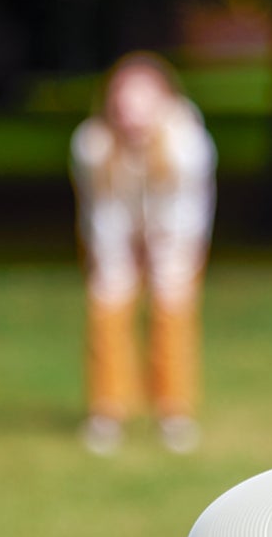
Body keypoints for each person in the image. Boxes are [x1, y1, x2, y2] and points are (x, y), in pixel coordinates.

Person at [70, 52, 217, 455]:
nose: (131, 112)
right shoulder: (92, 144)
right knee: (107, 308)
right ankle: (107, 411)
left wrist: (164, 255)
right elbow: (101, 211)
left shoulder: (188, 143)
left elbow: (188, 211)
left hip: (175, 237)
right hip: (114, 235)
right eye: (123, 101)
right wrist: (117, 260)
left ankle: (174, 412)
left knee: (172, 312)